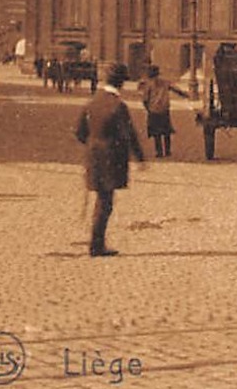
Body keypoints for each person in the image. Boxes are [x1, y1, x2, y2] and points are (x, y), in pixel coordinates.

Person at [74, 63, 145, 257]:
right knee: (106, 202)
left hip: (93, 158)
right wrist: (139, 158)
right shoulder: (118, 106)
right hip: (111, 159)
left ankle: (97, 243)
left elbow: (79, 132)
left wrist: (92, 146)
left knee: (101, 200)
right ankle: (96, 245)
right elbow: (129, 134)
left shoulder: (92, 102)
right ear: (122, 83)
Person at [138, 65, 185, 158]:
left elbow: (145, 99)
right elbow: (175, 89)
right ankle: (167, 151)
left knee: (156, 133)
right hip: (164, 109)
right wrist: (184, 94)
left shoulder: (148, 84)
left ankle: (159, 152)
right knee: (166, 131)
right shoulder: (164, 82)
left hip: (153, 110)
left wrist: (147, 108)